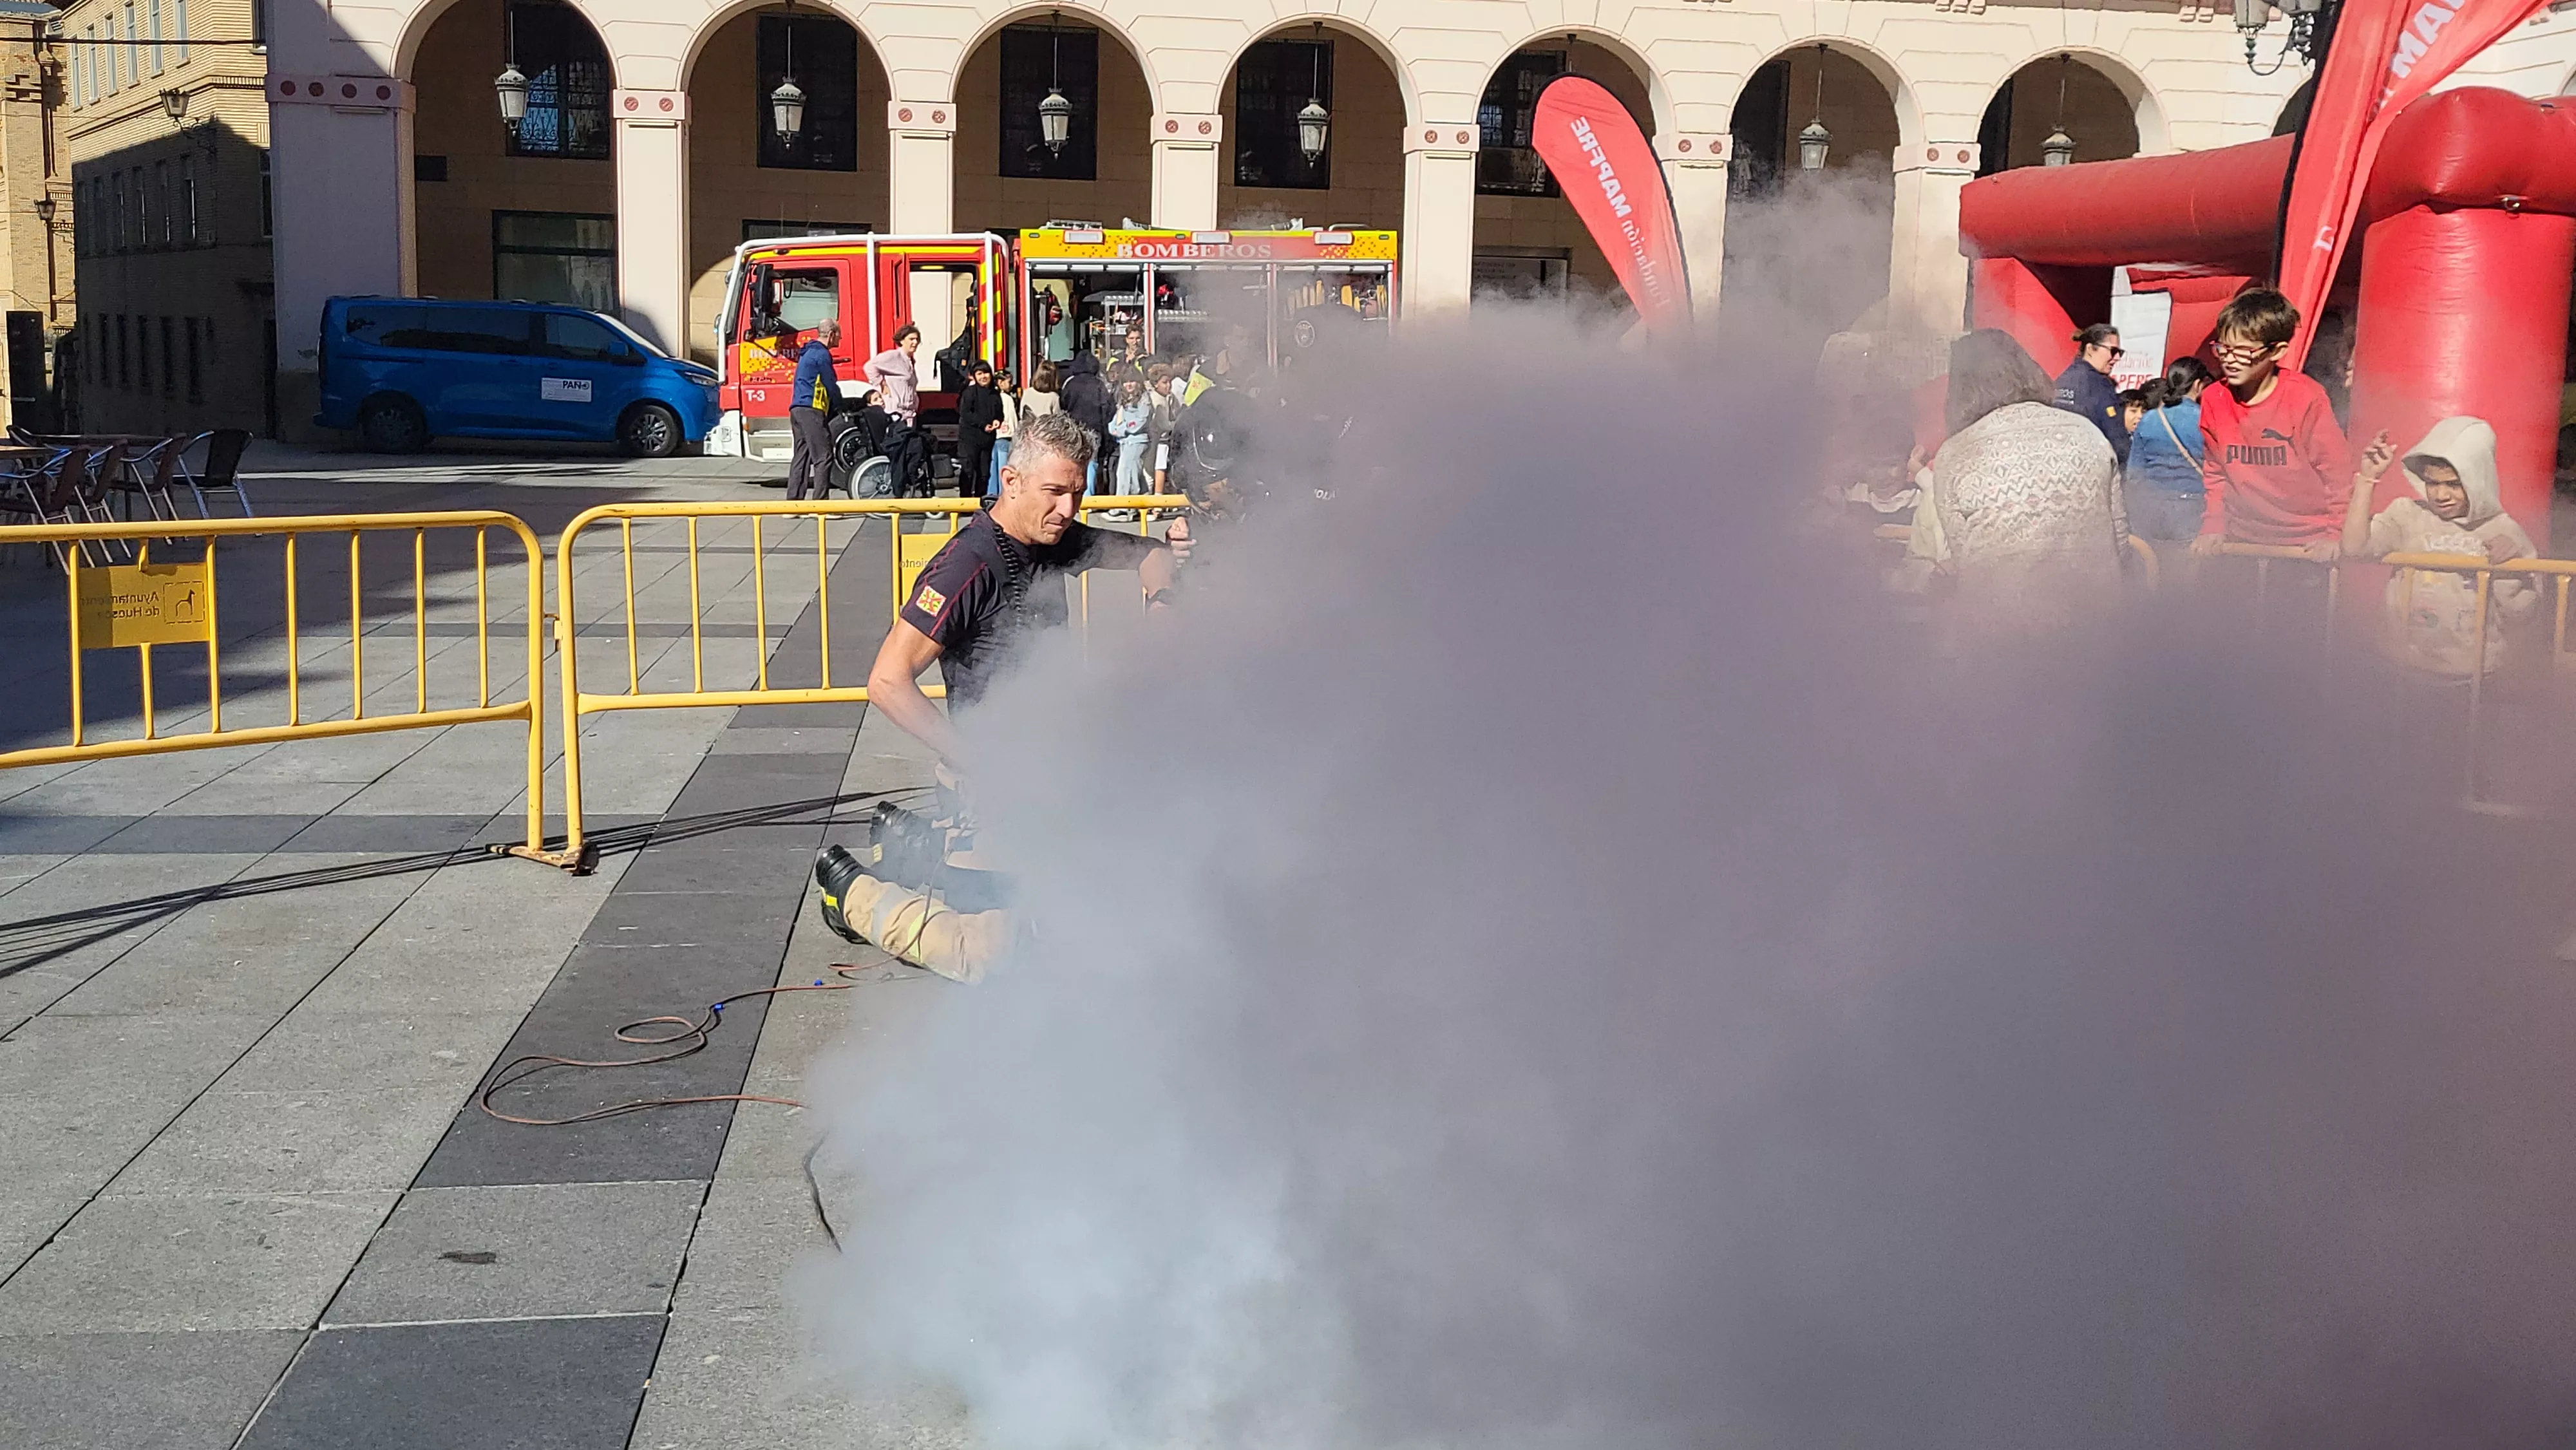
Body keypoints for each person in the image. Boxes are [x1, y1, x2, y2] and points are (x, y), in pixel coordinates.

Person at [862, 410, 1179, 772]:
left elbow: (1151, 554)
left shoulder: (1053, 536)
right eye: (1054, 492)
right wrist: (977, 763)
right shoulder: (963, 565)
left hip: (1057, 755)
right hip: (995, 778)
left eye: (1077, 494)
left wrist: (1161, 607)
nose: (1067, 510)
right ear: (1011, 481)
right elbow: (887, 682)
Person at [1929, 328, 2127, 634]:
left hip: (2003, 637)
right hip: (2096, 628)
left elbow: (1964, 556)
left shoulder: (1955, 455)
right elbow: (2120, 541)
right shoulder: (2089, 434)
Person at [2336, 416, 2536, 676]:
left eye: (2454, 484)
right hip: (2398, 668)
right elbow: (2354, 548)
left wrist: (2511, 569)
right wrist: (2367, 479)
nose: (2441, 495)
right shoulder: (2406, 514)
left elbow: (2523, 614)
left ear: (2477, 479)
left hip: (2472, 676)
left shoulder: (2505, 531)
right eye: (2433, 483)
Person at [2189, 287, 2356, 561]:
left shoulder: (2306, 398)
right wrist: (2213, 527)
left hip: (2305, 544)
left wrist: (2334, 534)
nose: (2230, 359)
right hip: (2243, 540)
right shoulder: (2213, 398)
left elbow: (2337, 475)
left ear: (2277, 351)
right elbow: (2216, 473)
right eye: (2223, 349)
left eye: (2243, 351)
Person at [2125, 357, 2213, 543]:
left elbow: (2134, 473)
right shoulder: (2206, 418)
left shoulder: (2149, 418)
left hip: (2152, 507)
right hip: (2192, 507)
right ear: (2198, 384)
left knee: (2154, 565)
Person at [2054, 323, 2130, 466]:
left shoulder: (2063, 379)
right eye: (2113, 351)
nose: (2118, 358)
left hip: (2061, 463)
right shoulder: (2099, 385)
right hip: (2091, 465)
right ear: (2090, 349)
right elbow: (2116, 437)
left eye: (2120, 353)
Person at [785, 317, 843, 502]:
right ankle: (820, 505)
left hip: (797, 409)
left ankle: (793, 505)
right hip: (812, 409)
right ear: (832, 334)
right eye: (839, 337)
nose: (839, 341)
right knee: (823, 457)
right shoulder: (822, 354)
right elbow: (830, 384)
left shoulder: (807, 352)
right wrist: (842, 406)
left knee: (801, 456)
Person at [1059, 351, 1114, 492]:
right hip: (1094, 429)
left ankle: (1075, 492)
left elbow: (1063, 406)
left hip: (1075, 429)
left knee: (1076, 461)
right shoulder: (1099, 384)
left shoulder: (1070, 384)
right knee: (1092, 462)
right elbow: (1108, 409)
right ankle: (1088, 496)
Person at [956, 361, 1003, 499]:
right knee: (969, 471)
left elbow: (999, 413)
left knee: (984, 474)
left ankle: (980, 502)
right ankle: (964, 502)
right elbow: (965, 413)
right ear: (974, 377)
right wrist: (983, 424)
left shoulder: (995, 394)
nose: (984, 377)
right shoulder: (970, 392)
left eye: (986, 373)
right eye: (980, 374)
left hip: (987, 441)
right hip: (969, 439)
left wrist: (997, 421)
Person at [865, 323, 922, 425]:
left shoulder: (910, 361)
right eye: (911, 339)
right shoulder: (894, 356)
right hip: (896, 414)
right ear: (902, 341)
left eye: (917, 339)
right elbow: (869, 367)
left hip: (909, 415)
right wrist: (882, 384)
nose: (915, 342)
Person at [1109, 377, 1153, 495]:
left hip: (1137, 441)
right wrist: (1113, 428)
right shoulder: (1124, 398)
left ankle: (1125, 506)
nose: (1128, 384)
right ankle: (1145, 503)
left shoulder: (1144, 399)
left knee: (1126, 473)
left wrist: (1122, 429)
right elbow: (1117, 418)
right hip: (1125, 442)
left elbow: (1141, 420)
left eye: (1131, 380)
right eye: (1125, 381)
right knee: (1135, 474)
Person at [987, 369, 1020, 502]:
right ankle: (1003, 496)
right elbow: (1012, 420)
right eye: (1009, 382)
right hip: (1006, 436)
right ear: (1000, 382)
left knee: (993, 469)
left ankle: (991, 495)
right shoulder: (1006, 399)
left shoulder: (992, 397)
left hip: (995, 436)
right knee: (1004, 468)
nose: (1011, 385)